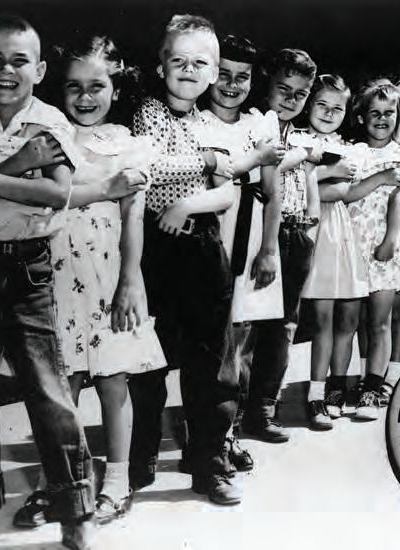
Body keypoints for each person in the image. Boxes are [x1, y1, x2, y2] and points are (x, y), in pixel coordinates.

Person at [13, 34, 166, 528]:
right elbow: (40, 201)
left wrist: (131, 281)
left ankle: (117, 481)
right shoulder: (46, 137)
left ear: (116, 89)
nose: (84, 97)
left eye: (96, 86)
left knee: (113, 379)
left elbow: (133, 217)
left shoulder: (127, 144)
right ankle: (57, 483)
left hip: (107, 277)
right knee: (61, 386)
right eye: (74, 86)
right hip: (53, 275)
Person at [0, 14, 94, 549]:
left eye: (19, 60)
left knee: (49, 393)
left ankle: (74, 509)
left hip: (29, 268)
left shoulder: (49, 119)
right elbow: (32, 184)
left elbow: (57, 194)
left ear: (41, 69)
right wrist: (19, 164)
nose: (6, 71)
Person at [131, 14, 240, 505]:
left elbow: (226, 193)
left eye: (200, 63)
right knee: (148, 359)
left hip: (203, 246)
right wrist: (209, 162)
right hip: (157, 248)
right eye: (179, 60)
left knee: (211, 362)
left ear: (214, 73)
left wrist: (185, 205)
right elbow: (153, 164)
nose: (189, 70)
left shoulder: (211, 124)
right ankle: (139, 462)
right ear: (161, 67)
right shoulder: (148, 113)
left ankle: (209, 462)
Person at [199, 34, 284, 468]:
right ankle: (203, 436)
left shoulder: (259, 125)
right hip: (210, 236)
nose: (232, 85)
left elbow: (272, 191)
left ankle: (229, 433)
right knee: (210, 343)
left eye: (242, 77)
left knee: (242, 341)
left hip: (250, 237)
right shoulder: (196, 122)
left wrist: (269, 249)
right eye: (224, 74)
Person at [239, 48, 320, 443]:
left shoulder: (298, 133)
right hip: (258, 235)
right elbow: (254, 171)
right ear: (266, 85)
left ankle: (263, 411)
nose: (291, 99)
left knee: (284, 326)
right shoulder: (252, 123)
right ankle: (232, 415)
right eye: (284, 89)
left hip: (295, 233)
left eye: (301, 93)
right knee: (245, 327)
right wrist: (302, 156)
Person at [347, 81, 400, 421]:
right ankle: (366, 375)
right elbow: (347, 195)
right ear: (361, 117)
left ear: (399, 116)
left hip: (386, 242)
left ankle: (374, 389)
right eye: (374, 113)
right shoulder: (354, 152)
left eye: (389, 113)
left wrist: (391, 240)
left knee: (380, 320)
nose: (381, 119)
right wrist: (379, 177)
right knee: (361, 320)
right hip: (355, 241)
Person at [299, 74, 368, 429]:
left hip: (342, 233)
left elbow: (343, 191)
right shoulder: (298, 142)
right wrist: (330, 172)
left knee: (348, 319)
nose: (328, 113)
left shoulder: (349, 147)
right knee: (322, 320)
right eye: (322, 105)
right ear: (309, 105)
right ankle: (314, 395)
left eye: (337, 108)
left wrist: (321, 178)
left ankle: (336, 390)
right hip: (315, 233)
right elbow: (298, 190)